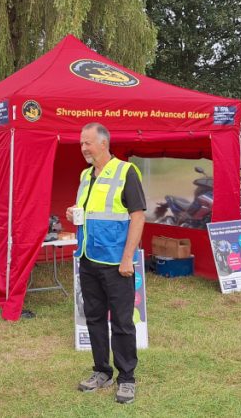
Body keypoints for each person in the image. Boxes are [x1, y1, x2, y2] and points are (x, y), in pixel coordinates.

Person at [67, 122, 145, 405]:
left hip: (116, 262)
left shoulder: (126, 171)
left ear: (104, 143)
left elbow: (137, 216)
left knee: (122, 322)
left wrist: (128, 258)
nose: (83, 148)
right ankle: (102, 370)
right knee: (95, 318)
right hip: (88, 258)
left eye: (87, 143)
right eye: (81, 144)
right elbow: (92, 212)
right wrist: (74, 213)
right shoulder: (85, 175)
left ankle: (126, 378)